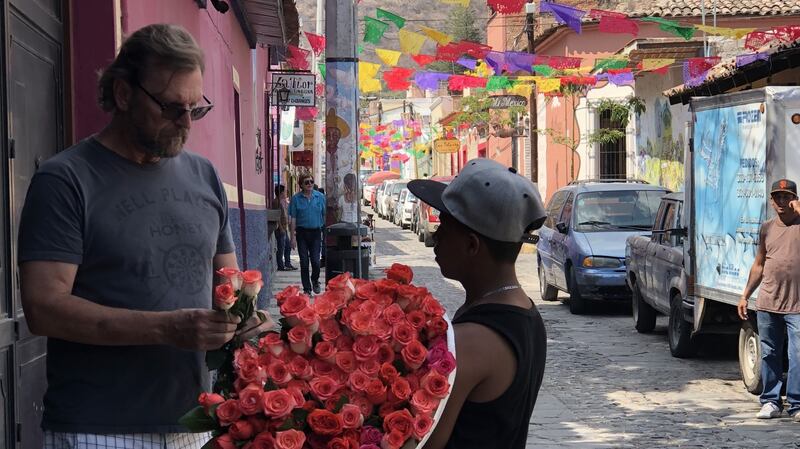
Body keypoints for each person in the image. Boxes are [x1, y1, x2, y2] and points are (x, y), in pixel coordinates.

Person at [16, 24, 274, 448]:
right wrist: (166, 329)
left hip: (193, 424)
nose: (187, 123)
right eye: (172, 108)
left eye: (196, 108)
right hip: (97, 429)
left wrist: (246, 321)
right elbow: (44, 308)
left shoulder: (204, 175)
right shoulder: (65, 180)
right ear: (123, 94)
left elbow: (226, 286)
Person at [408, 158, 548, 449]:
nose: (435, 239)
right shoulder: (525, 311)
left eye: (444, 229)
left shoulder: (472, 339)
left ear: (472, 245)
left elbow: (425, 442)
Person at [738, 178, 800, 421]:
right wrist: (745, 295)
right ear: (771, 201)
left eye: (787, 196)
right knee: (770, 354)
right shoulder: (767, 228)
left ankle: (796, 404)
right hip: (768, 302)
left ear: (795, 199)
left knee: (797, 355)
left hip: (797, 305)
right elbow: (759, 264)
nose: (782, 201)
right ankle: (771, 401)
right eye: (777, 197)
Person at [289, 173, 326, 295]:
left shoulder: (320, 197)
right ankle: (307, 288)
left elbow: (325, 215)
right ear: (301, 185)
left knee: (316, 261)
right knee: (304, 262)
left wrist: (325, 232)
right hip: (302, 233)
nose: (310, 184)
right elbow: (293, 218)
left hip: (316, 233)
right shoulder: (295, 199)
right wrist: (292, 237)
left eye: (311, 181)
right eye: (306, 182)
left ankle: (315, 280)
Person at [271, 184, 296, 271]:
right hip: (280, 228)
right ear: (281, 192)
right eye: (284, 191)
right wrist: (281, 228)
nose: (286, 193)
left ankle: (288, 263)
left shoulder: (282, 201)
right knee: (281, 248)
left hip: (284, 228)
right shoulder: (276, 202)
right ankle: (281, 266)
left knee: (287, 246)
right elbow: (277, 216)